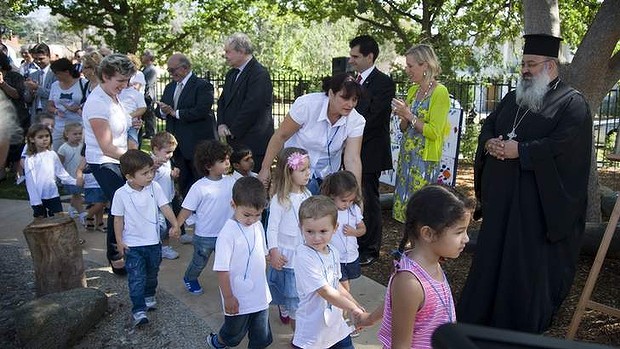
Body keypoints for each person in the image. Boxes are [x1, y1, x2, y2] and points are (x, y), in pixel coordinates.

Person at [457, 34, 592, 334]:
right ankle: (479, 318)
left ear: (551, 65)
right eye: (523, 64)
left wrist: (523, 151)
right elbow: (490, 123)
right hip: (502, 201)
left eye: (531, 64)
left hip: (535, 207)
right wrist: (489, 142)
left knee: (523, 267)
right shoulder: (513, 97)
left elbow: (565, 148)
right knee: (491, 257)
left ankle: (516, 326)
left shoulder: (573, 104)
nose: (525, 71)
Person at [355, 184, 474, 348]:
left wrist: (369, 319)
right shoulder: (410, 283)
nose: (466, 239)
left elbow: (397, 305)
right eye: (459, 232)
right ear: (428, 234)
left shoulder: (431, 263)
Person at [258, 73, 365, 195]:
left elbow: (352, 159)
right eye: (345, 98)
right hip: (295, 174)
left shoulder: (357, 121)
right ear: (331, 94)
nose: (350, 104)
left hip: (327, 178)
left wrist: (357, 194)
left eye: (354, 99)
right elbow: (280, 136)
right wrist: (265, 168)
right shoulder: (307, 105)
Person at [111, 149, 180, 327]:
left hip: (153, 243)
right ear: (129, 177)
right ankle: (139, 310)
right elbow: (118, 220)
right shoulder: (121, 194)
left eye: (151, 171)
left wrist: (175, 224)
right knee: (136, 277)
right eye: (145, 173)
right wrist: (119, 241)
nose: (150, 176)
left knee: (152, 274)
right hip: (132, 246)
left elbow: (165, 206)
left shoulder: (154, 187)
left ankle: (149, 295)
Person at [82, 53, 137, 275]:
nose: (124, 86)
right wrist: (135, 161)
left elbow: (119, 129)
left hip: (118, 158)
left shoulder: (113, 96)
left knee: (123, 205)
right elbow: (106, 146)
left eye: (127, 81)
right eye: (120, 81)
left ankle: (121, 250)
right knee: (120, 204)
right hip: (104, 161)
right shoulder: (96, 103)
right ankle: (115, 255)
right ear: (105, 76)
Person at [207, 177, 272, 349]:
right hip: (237, 296)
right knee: (233, 333)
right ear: (233, 205)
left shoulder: (257, 226)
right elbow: (222, 270)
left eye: (258, 215)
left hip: (260, 294)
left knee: (261, 336)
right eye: (247, 214)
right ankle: (217, 341)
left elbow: (262, 253)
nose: (252, 219)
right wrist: (228, 297)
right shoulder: (227, 234)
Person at [293, 195, 365, 349]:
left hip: (337, 328)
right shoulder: (303, 255)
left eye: (323, 231)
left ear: (335, 228)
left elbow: (335, 284)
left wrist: (354, 304)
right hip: (312, 333)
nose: (316, 238)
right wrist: (352, 308)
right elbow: (325, 291)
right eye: (310, 231)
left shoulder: (333, 251)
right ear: (301, 228)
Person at [348, 35, 395, 266]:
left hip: (369, 151)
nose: (351, 60)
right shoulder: (350, 80)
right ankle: (354, 240)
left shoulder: (384, 83)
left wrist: (352, 137)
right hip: (349, 150)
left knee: (368, 197)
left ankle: (370, 247)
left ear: (370, 56)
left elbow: (374, 119)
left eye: (355, 56)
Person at [391, 44, 451, 223]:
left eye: (411, 66)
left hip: (424, 161)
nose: (407, 70)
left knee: (421, 208)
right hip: (407, 158)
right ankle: (406, 246)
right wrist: (403, 115)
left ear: (425, 65)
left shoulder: (440, 92)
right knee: (405, 205)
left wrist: (409, 114)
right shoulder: (412, 91)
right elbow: (404, 128)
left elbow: (434, 132)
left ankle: (419, 247)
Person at [176, 140, 236, 295]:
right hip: (205, 236)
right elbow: (187, 209)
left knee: (229, 263)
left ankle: (231, 285)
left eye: (228, 159)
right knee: (199, 262)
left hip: (226, 233)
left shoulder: (232, 181)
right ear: (208, 166)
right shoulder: (199, 187)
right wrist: (177, 226)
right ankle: (190, 278)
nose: (227, 163)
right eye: (222, 161)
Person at [159, 53, 216, 196]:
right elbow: (160, 111)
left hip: (196, 145)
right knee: (183, 186)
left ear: (185, 68)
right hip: (176, 147)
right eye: (169, 71)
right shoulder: (170, 87)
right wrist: (162, 111)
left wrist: (175, 113)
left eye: (173, 70)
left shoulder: (203, 86)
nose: (171, 74)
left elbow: (201, 111)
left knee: (200, 184)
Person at [266, 147, 311, 328]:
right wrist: (274, 251)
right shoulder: (280, 200)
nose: (308, 173)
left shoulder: (308, 195)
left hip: (302, 251)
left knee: (297, 293)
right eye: (302, 170)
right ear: (289, 172)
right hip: (286, 253)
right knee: (285, 288)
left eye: (308, 168)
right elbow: (272, 228)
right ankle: (286, 310)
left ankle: (291, 311)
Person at [217, 33, 273, 172]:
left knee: (253, 187)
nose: (225, 55)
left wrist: (233, 130)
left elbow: (252, 107)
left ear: (241, 51)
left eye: (228, 51)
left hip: (252, 144)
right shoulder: (231, 74)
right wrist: (221, 123)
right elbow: (223, 101)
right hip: (235, 142)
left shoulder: (259, 74)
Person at [319, 171, 366, 296]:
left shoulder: (354, 210)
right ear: (332, 196)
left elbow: (363, 229)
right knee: (344, 286)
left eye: (351, 200)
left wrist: (354, 232)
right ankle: (344, 309)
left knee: (345, 283)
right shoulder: (328, 212)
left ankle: (340, 308)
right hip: (335, 256)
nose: (348, 204)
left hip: (350, 255)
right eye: (344, 200)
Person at [23, 123, 77, 217]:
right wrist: (35, 200)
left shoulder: (52, 155)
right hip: (39, 196)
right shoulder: (30, 159)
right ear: (32, 139)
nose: (45, 139)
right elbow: (30, 181)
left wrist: (75, 181)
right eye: (40, 137)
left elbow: (61, 172)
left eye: (47, 136)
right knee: (40, 221)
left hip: (53, 194)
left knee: (58, 217)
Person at [150, 131, 182, 260]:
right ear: (156, 150)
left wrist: (173, 175)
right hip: (156, 201)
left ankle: (165, 247)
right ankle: (159, 247)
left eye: (172, 151)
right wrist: (153, 167)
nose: (170, 155)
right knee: (160, 225)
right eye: (168, 152)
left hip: (167, 198)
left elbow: (165, 177)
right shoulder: (152, 162)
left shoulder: (165, 161)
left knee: (166, 224)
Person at [47, 57, 88, 151]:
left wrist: (79, 108)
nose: (56, 76)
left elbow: (89, 103)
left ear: (67, 72)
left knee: (77, 153)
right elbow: (49, 105)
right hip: (60, 126)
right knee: (57, 152)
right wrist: (56, 111)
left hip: (78, 126)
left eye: (58, 73)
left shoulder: (83, 83)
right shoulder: (55, 85)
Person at [57, 122, 87, 222]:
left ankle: (71, 207)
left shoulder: (82, 146)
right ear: (67, 134)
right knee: (77, 195)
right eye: (75, 134)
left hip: (81, 176)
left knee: (76, 194)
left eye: (80, 133)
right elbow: (59, 164)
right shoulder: (63, 148)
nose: (78, 136)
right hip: (70, 177)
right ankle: (82, 213)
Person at [24, 43, 57, 124]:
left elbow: (54, 94)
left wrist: (37, 88)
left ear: (49, 56)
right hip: (35, 113)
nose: (38, 61)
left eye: (41, 58)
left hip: (51, 114)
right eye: (35, 59)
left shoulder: (56, 74)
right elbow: (27, 99)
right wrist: (30, 91)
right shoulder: (33, 75)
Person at [119, 77, 147, 149]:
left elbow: (143, 108)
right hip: (118, 122)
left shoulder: (136, 94)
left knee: (132, 146)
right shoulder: (116, 92)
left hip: (131, 124)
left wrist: (129, 116)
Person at [141, 50, 158, 139]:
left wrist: (145, 96)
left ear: (149, 57)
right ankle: (148, 132)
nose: (142, 56)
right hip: (145, 95)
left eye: (144, 55)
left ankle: (151, 134)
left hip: (148, 96)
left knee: (149, 115)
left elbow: (148, 84)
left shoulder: (151, 69)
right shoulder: (145, 68)